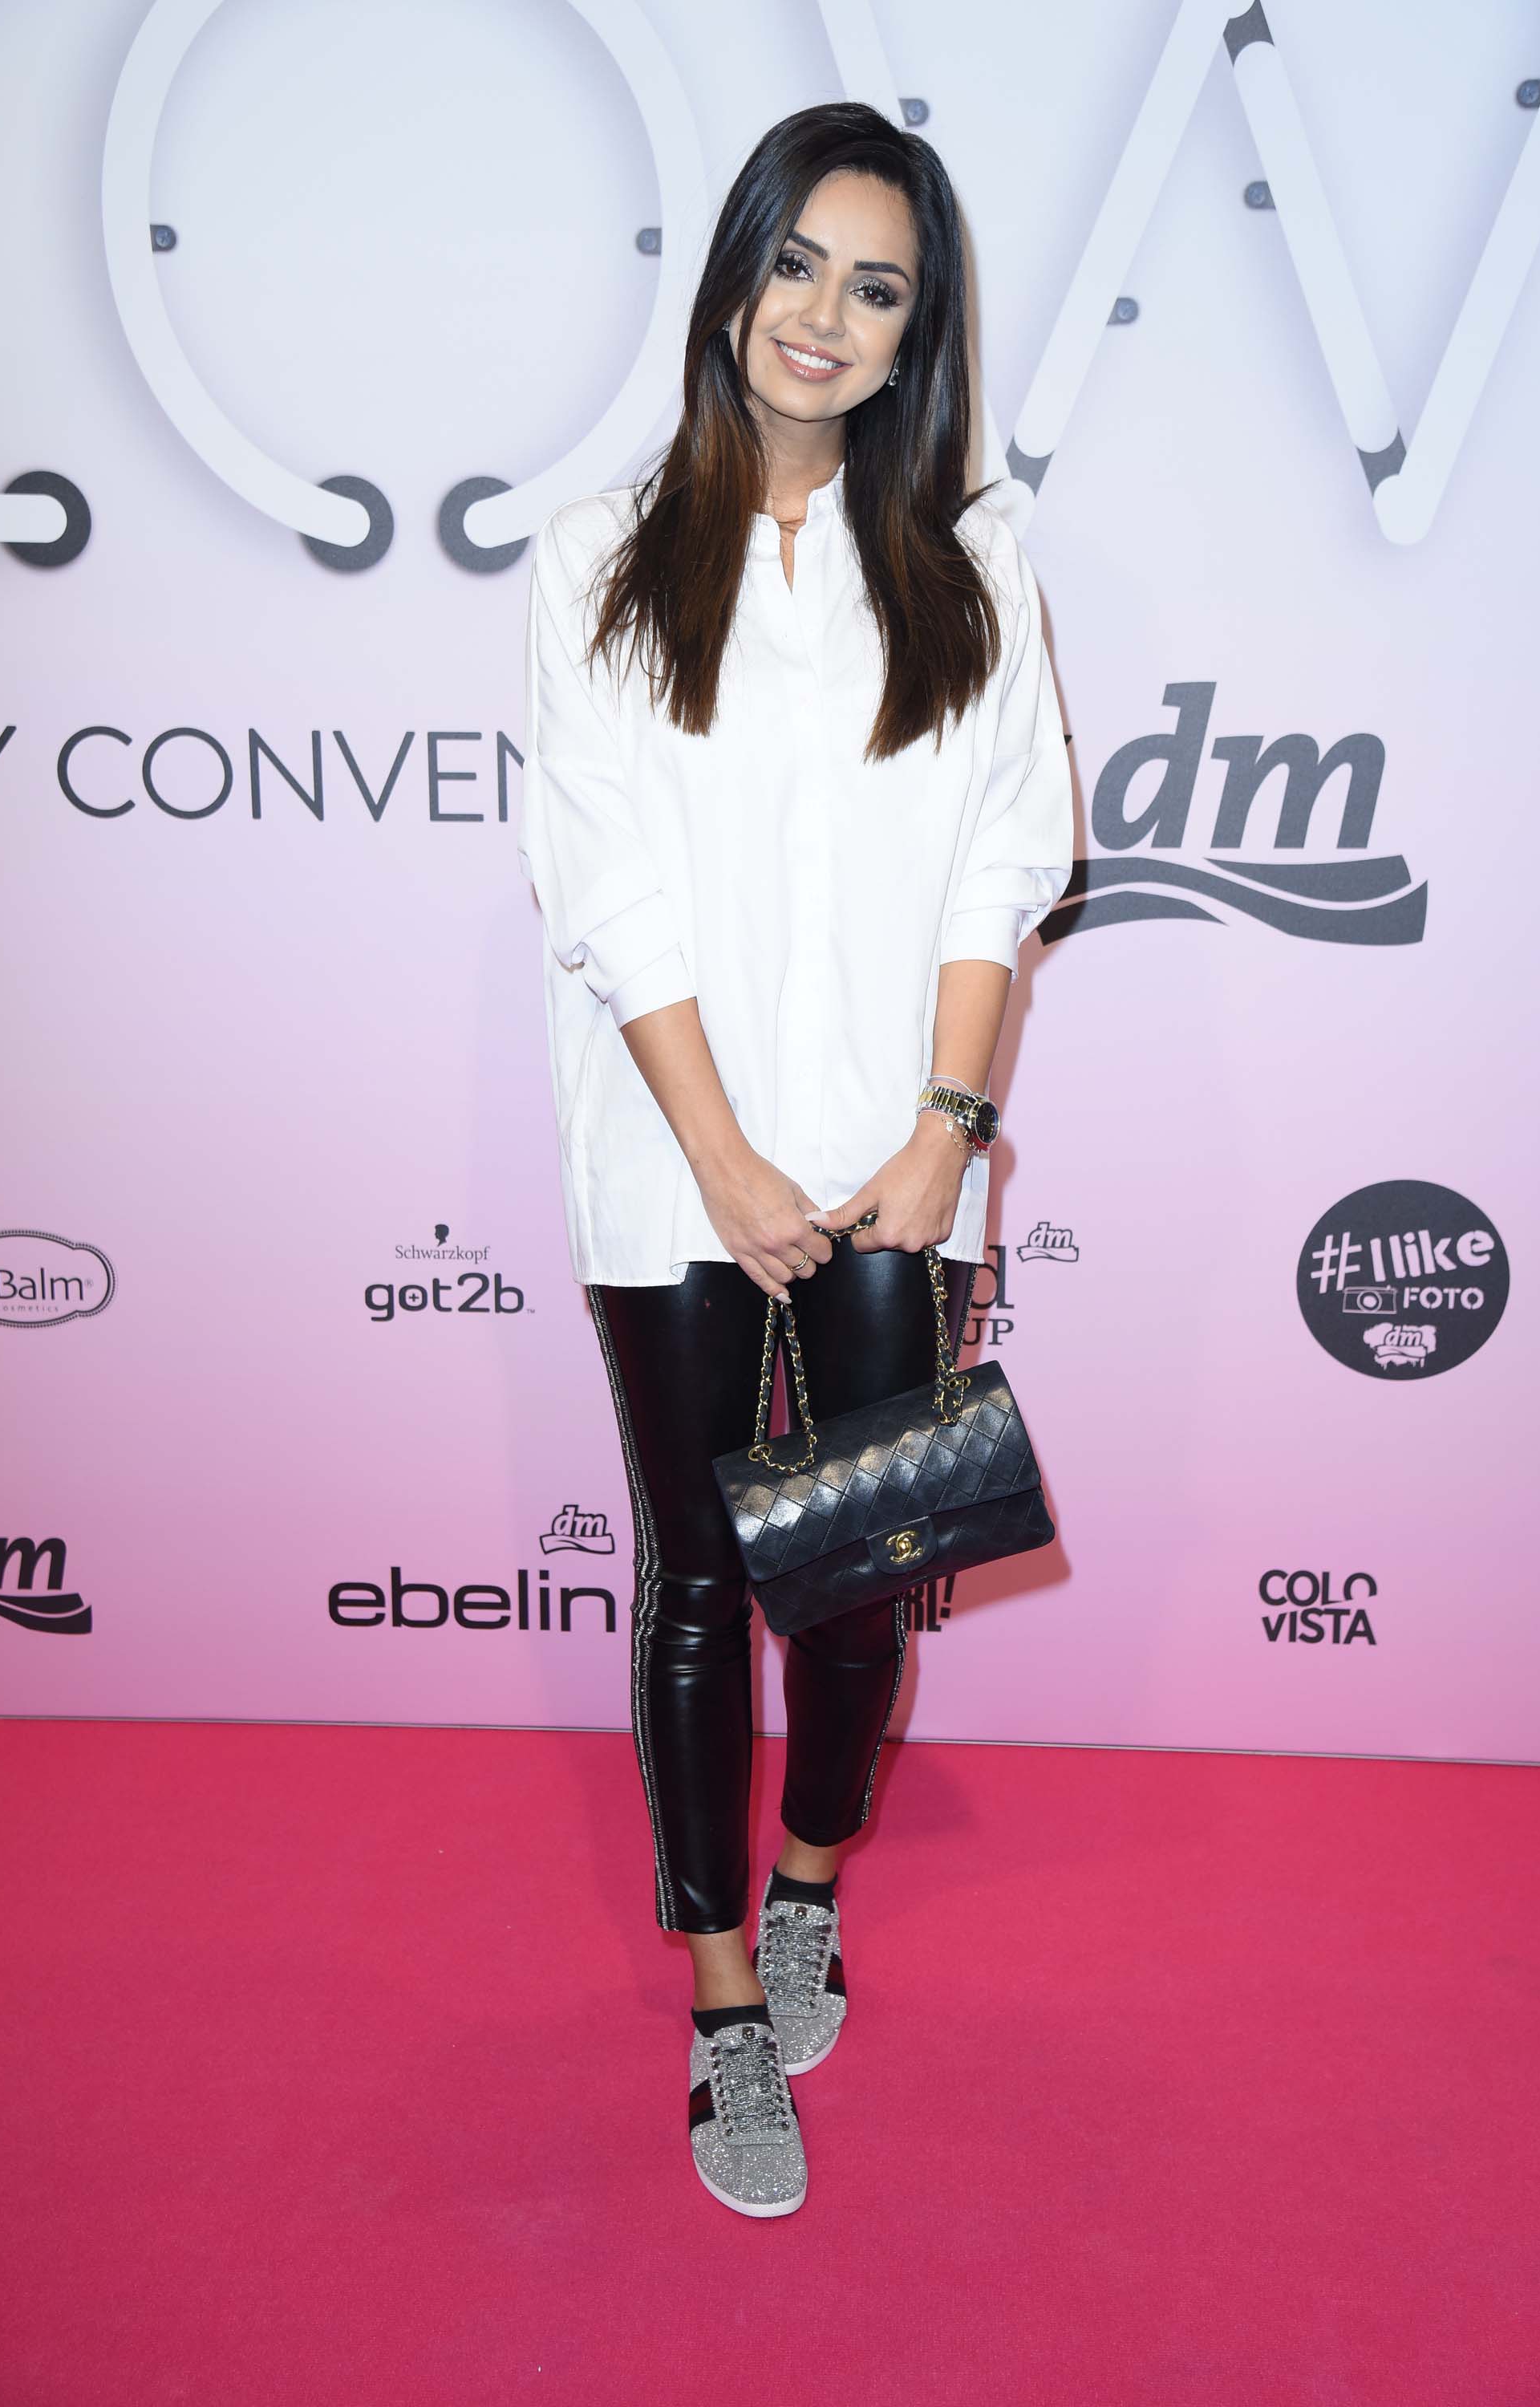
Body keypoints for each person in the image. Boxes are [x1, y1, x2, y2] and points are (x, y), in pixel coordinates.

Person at [517, 100, 1072, 2217]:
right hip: (677, 1163)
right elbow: (606, 891)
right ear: (737, 269)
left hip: (900, 1166)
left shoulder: (972, 560)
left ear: (922, 331)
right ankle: (725, 2005)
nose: (825, 314)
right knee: (692, 1578)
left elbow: (1006, 860)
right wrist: (724, 1161)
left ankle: (815, 1880)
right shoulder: (598, 555)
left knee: (852, 1585)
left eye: (879, 286)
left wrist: (945, 1136)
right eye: (798, 262)